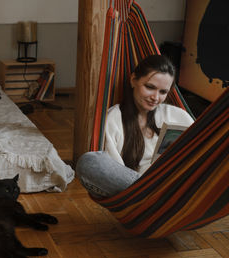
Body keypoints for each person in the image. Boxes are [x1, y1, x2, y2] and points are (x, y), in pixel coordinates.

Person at [76, 55, 194, 198]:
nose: (156, 98)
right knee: (89, 162)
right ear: (133, 80)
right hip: (136, 190)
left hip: (176, 184)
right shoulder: (114, 118)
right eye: (150, 87)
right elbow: (115, 169)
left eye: (163, 92)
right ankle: (150, 196)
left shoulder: (177, 116)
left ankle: (159, 197)